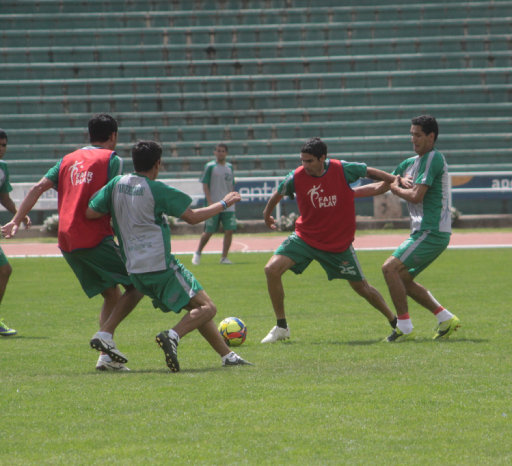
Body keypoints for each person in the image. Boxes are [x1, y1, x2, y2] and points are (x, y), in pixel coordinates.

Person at [86, 140, 252, 371]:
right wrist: (225, 203)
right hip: (160, 265)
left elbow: (92, 211)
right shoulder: (156, 189)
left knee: (188, 307)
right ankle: (172, 335)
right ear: (157, 164)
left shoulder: (116, 183)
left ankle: (227, 356)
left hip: (134, 266)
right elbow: (192, 217)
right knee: (208, 308)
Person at [1, 114, 143, 369]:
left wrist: (15, 220)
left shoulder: (68, 159)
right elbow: (112, 198)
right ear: (113, 136)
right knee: (139, 283)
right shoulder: (112, 159)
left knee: (111, 293)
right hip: (93, 236)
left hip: (66, 240)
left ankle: (106, 358)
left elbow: (37, 187)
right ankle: (105, 335)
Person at [260, 137, 398, 343]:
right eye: (302, 160)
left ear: (322, 158)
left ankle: (396, 323)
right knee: (271, 270)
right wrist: (267, 215)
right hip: (305, 238)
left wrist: (393, 180)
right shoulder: (295, 177)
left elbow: (369, 172)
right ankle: (281, 327)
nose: (304, 165)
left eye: (309, 161)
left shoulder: (341, 169)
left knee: (362, 288)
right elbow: (277, 195)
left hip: (337, 244)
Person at [353, 115, 460, 342]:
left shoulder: (434, 158)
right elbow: (381, 186)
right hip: (423, 231)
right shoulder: (409, 163)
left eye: (418, 135)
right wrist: (348, 194)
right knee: (401, 280)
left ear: (431, 137)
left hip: (433, 231)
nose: (413, 139)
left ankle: (404, 326)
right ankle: (446, 318)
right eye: (411, 134)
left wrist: (395, 187)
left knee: (389, 269)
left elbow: (415, 195)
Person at [0, 129, 31, 336]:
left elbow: (3, 197)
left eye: (4, 145)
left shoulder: (2, 168)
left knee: (4, 270)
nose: (1, 149)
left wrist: (19, 215)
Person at [192, 143, 237, 265]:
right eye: (218, 151)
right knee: (209, 231)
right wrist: (210, 201)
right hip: (214, 204)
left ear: (226, 153)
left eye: (223, 151)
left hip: (229, 205)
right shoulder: (210, 166)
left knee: (229, 230)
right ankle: (198, 253)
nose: (220, 153)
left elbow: (232, 184)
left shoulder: (230, 167)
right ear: (215, 152)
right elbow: (205, 184)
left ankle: (224, 257)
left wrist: (232, 198)